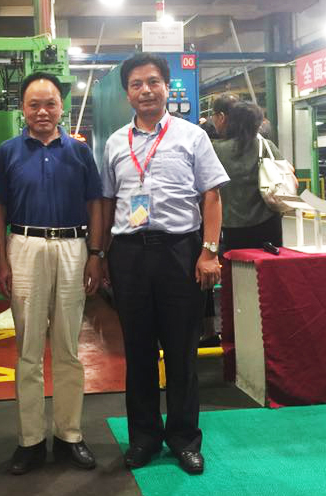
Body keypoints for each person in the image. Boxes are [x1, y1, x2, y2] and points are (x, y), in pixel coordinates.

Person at [101, 53, 229, 474]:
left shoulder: (192, 136)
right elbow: (108, 202)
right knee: (137, 351)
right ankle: (143, 439)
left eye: (153, 82)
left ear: (166, 87)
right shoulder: (115, 143)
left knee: (181, 351)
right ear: (127, 93)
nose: (146, 90)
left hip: (180, 252)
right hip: (129, 254)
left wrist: (209, 251)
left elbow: (212, 196)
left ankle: (184, 439)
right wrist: (101, 256)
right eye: (137, 84)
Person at [0, 72, 103, 475]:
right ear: (22, 108)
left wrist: (95, 254)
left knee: (69, 348)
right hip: (24, 246)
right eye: (34, 104)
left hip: (73, 247)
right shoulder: (7, 152)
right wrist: (1, 260)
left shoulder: (80, 152)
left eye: (50, 103)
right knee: (28, 349)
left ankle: (70, 434)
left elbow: (95, 204)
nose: (42, 111)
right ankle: (30, 440)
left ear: (61, 107)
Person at [212, 100, 284, 251]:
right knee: (268, 264)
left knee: (233, 264)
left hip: (229, 226)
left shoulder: (216, 149)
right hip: (267, 223)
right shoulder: (266, 146)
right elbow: (284, 174)